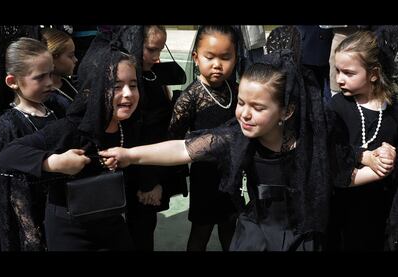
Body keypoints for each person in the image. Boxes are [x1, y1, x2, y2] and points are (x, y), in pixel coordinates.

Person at [100, 49, 395, 251]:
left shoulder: (309, 144)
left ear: (286, 111)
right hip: (255, 236)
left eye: (258, 107)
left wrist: (380, 169)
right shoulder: (237, 137)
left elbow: (342, 175)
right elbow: (182, 149)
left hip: (302, 239)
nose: (244, 114)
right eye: (241, 103)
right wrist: (130, 155)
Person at [0, 41, 139, 251]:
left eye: (133, 85)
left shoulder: (129, 125)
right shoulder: (70, 128)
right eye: (116, 86)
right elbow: (8, 155)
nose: (128, 93)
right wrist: (54, 162)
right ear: (94, 90)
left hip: (111, 220)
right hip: (71, 229)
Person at [165, 25, 243, 251]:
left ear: (236, 57)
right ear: (196, 58)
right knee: (201, 231)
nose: (217, 64)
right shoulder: (190, 98)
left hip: (233, 173)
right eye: (210, 57)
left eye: (226, 57)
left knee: (231, 226)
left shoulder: (236, 90)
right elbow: (174, 137)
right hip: (205, 177)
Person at [0, 37, 59, 251]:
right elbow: (15, 193)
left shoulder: (55, 108)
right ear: (12, 81)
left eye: (51, 74)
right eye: (40, 77)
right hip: (36, 224)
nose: (49, 83)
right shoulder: (9, 126)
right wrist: (32, 237)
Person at [327, 29, 398, 251]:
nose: (339, 79)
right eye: (337, 71)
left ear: (373, 73)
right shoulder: (337, 107)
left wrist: (393, 153)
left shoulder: (393, 109)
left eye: (348, 73)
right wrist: (363, 156)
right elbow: (330, 150)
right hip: (344, 207)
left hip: (381, 208)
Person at [127, 25, 188, 251]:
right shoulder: (133, 79)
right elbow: (142, 134)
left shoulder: (151, 75)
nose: (156, 57)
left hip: (150, 168)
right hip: (139, 176)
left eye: (160, 50)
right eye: (151, 49)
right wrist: (149, 183)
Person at [41, 28, 78, 113]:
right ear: (52, 59)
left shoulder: (69, 82)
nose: (76, 59)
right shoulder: (49, 98)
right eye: (70, 56)